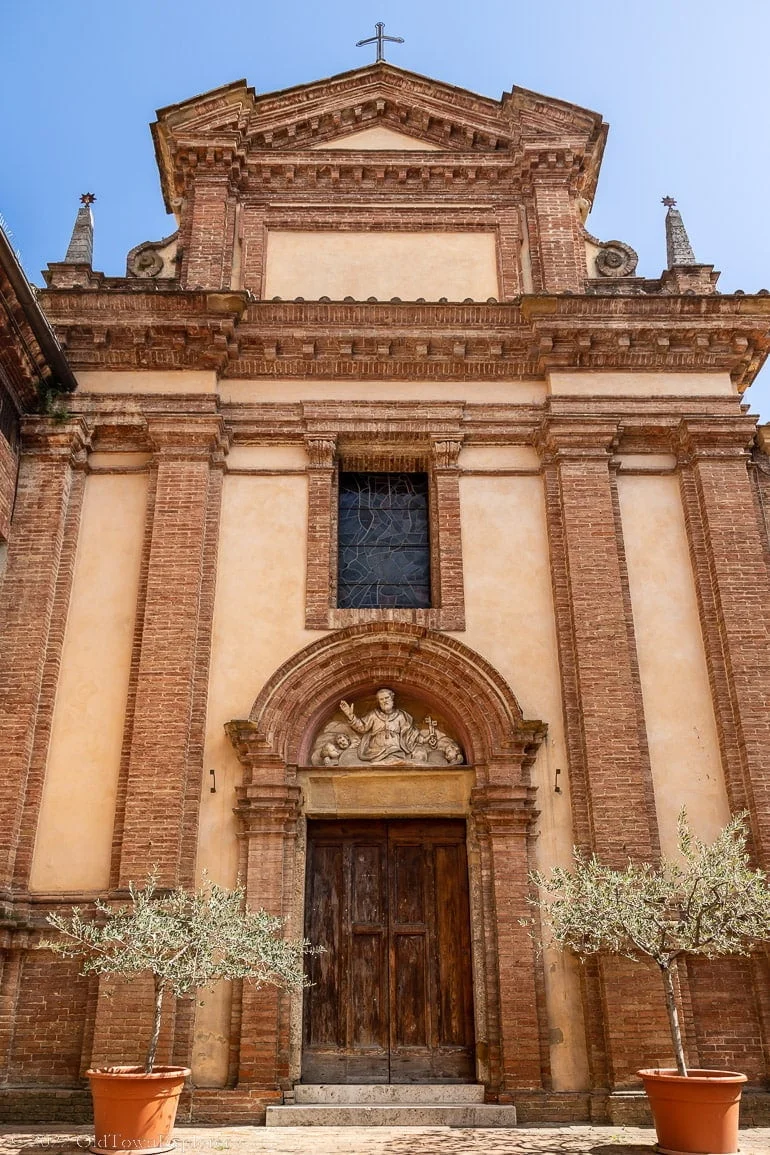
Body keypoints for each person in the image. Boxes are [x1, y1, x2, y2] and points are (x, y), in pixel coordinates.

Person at [339, 688, 437, 764]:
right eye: (381, 699)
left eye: (387, 698)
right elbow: (362, 727)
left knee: (396, 761)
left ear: (392, 699)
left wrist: (425, 739)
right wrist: (350, 715)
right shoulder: (373, 715)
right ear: (379, 702)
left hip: (395, 749)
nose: (384, 701)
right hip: (375, 751)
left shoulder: (401, 716)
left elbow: (410, 733)